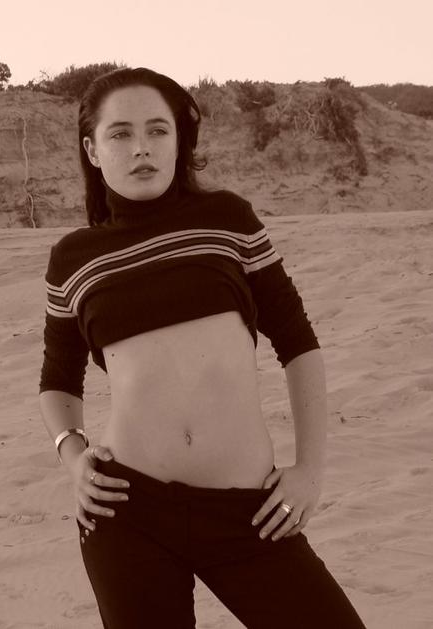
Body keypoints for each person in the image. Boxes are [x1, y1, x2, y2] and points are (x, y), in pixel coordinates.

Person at [38, 67, 366, 628]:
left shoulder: (227, 220)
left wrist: (310, 470)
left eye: (157, 130)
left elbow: (298, 343)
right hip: (127, 511)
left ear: (178, 141)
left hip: (251, 510)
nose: (142, 147)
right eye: (120, 134)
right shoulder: (73, 258)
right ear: (92, 150)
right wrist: (74, 458)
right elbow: (57, 381)